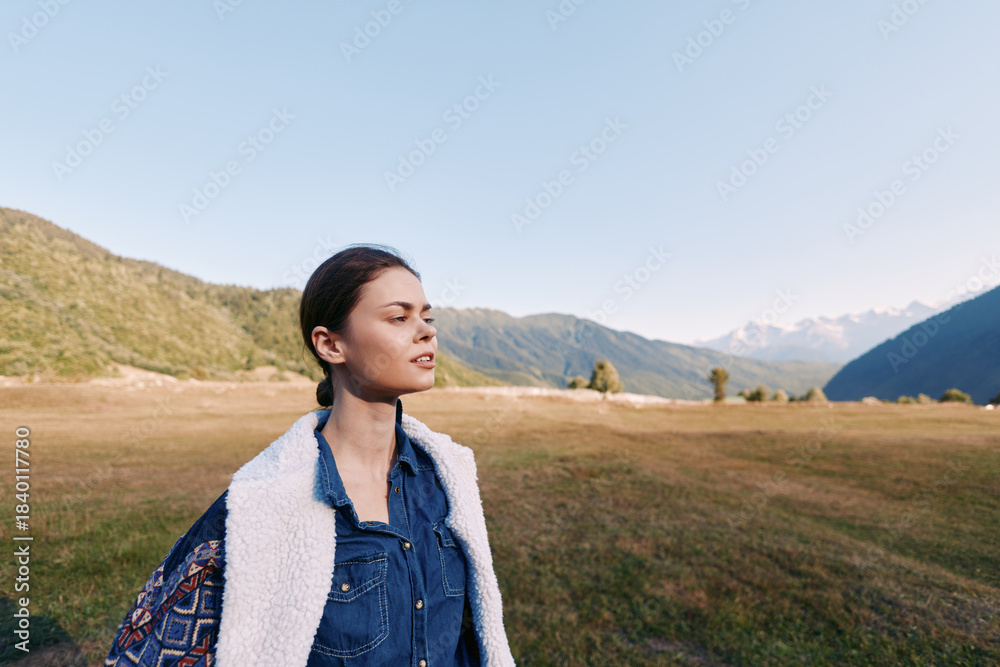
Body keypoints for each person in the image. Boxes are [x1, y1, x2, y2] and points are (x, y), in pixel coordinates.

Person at [104, 244, 515, 666]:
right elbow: (145, 652)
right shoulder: (265, 502)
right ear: (331, 344)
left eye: (426, 317)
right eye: (399, 317)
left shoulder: (450, 478)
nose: (426, 331)